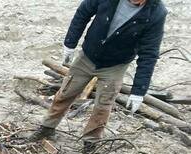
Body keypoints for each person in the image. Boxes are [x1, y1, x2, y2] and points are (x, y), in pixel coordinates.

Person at [30, 0, 167, 146]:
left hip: (115, 65)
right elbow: (83, 13)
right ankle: (47, 128)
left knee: (103, 106)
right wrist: (70, 43)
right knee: (65, 93)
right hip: (88, 56)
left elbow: (149, 53)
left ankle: (90, 143)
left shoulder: (156, 13)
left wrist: (138, 91)